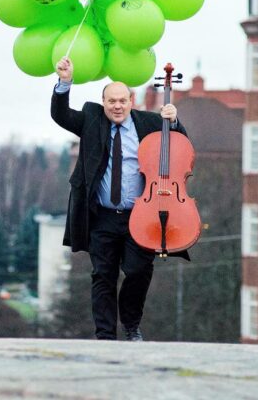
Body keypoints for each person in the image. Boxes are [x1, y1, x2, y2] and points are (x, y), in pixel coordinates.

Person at [51, 56, 189, 341]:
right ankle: (104, 335)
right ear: (104, 103)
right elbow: (61, 115)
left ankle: (131, 324)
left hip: (140, 214)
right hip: (101, 215)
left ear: (131, 101)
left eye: (122, 101)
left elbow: (180, 144)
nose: (117, 106)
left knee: (138, 271)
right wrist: (65, 82)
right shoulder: (91, 120)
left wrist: (174, 122)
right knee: (103, 275)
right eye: (111, 101)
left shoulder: (150, 122)